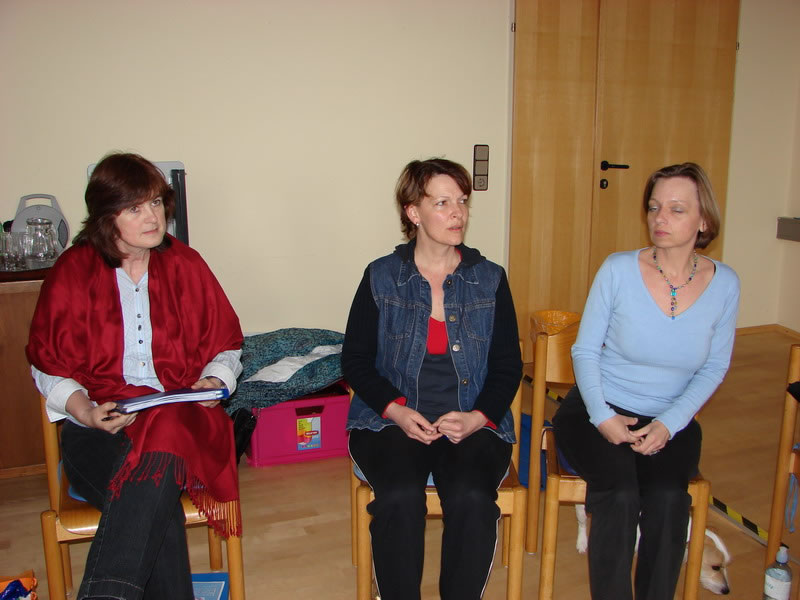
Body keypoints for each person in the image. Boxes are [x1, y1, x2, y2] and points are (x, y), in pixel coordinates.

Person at [27, 152, 244, 600]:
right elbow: (47, 365)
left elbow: (226, 345)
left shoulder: (186, 264)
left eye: (156, 203)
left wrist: (215, 379)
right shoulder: (72, 272)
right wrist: (85, 411)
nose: (153, 217)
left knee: (164, 433)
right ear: (106, 217)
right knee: (155, 508)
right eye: (135, 208)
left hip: (180, 420)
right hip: (100, 427)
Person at [552, 162, 740, 600]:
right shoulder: (618, 269)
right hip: (598, 408)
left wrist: (669, 424)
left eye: (676, 209)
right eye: (655, 207)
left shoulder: (725, 284)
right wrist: (602, 416)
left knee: (669, 500)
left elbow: (714, 367)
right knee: (618, 494)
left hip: (669, 417)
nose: (660, 218)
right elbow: (584, 350)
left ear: (704, 221)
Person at [343, 158, 522, 600]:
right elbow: (355, 361)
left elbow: (507, 366)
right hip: (391, 421)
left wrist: (478, 417)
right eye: (442, 203)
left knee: (471, 500)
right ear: (413, 212)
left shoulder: (489, 279)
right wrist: (398, 412)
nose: (457, 213)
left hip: (473, 421)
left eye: (461, 201)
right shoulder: (381, 276)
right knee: (400, 498)